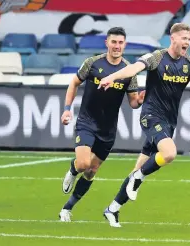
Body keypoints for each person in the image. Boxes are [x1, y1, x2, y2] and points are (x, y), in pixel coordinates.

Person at [97, 23, 190, 228]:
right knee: (169, 153)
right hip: (151, 116)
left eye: (189, 39)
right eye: (183, 38)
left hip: (168, 122)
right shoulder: (156, 57)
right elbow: (134, 68)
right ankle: (137, 177)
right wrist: (111, 77)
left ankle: (112, 209)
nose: (187, 42)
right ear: (172, 38)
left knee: (139, 167)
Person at [59, 27, 145, 222]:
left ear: (125, 44)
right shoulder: (92, 63)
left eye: (120, 43)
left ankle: (67, 208)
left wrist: (139, 100)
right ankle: (72, 170)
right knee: (82, 164)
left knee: (91, 172)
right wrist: (66, 109)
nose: (117, 46)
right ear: (107, 43)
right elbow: (74, 83)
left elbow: (132, 102)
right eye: (113, 42)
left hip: (108, 130)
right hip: (87, 122)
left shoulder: (129, 70)